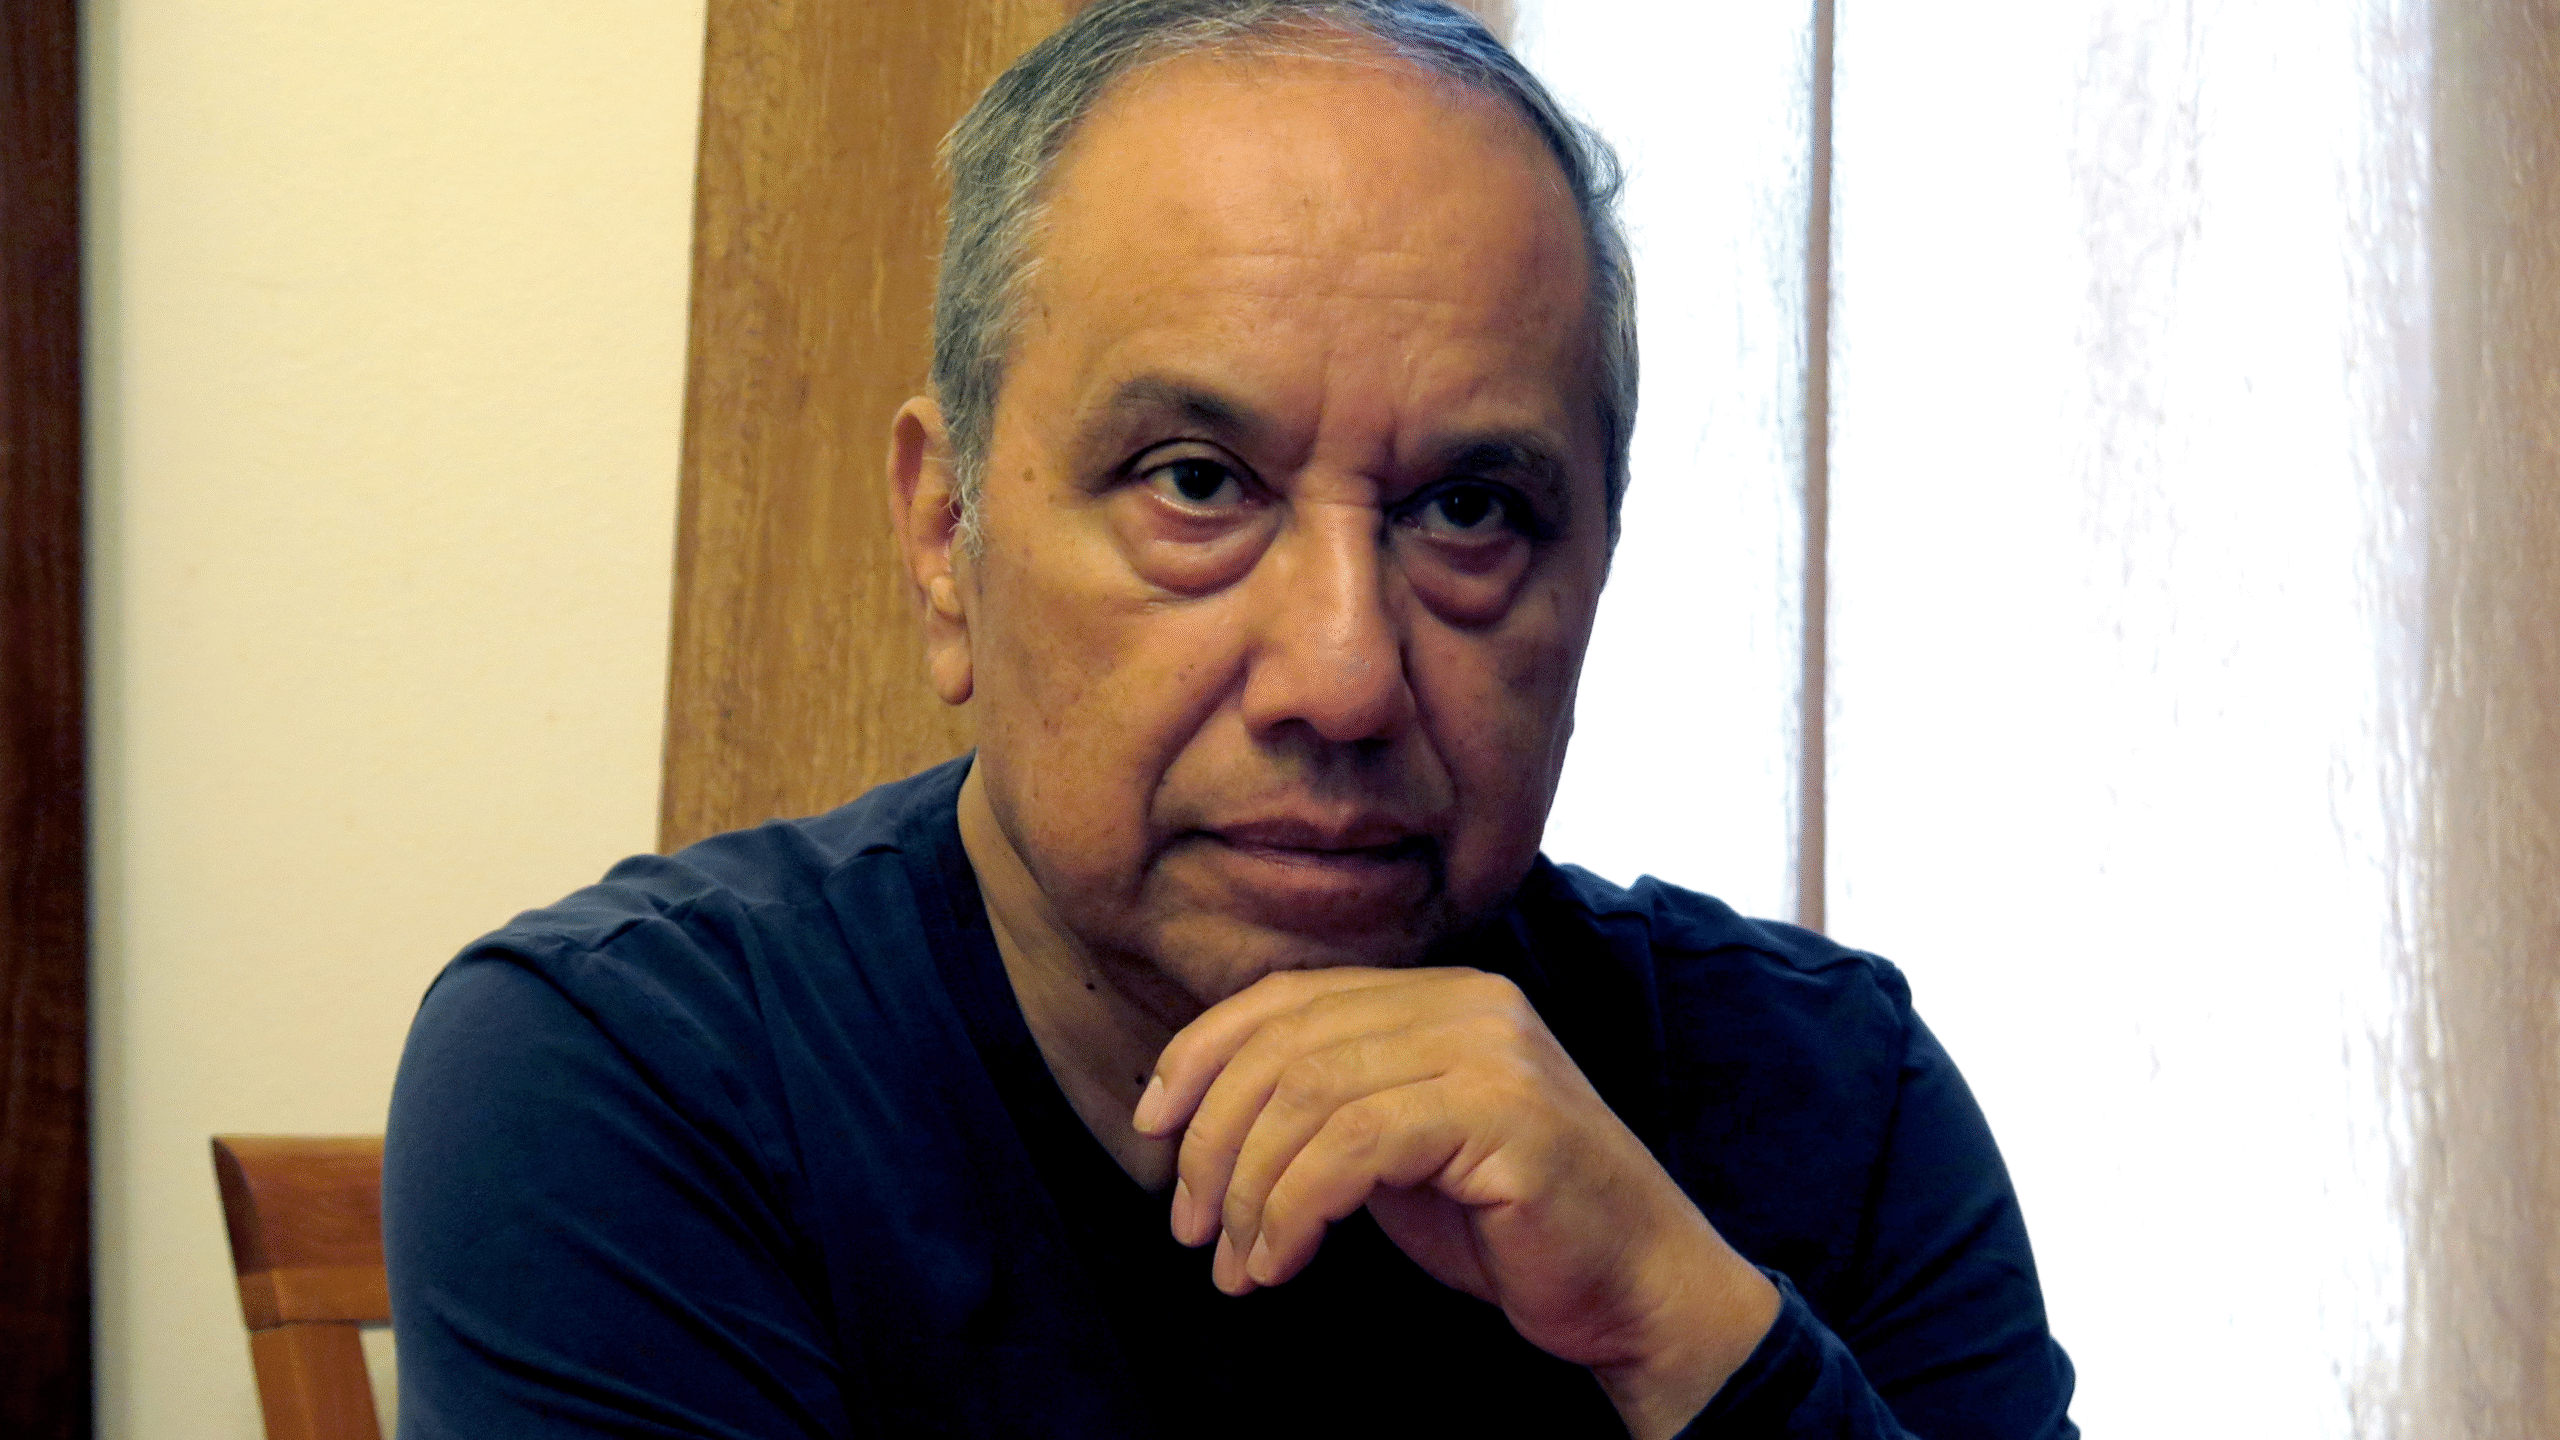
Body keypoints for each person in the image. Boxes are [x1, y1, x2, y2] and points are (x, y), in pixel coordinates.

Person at [384, 2, 2078, 1435]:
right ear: (947, 537)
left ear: (1597, 575)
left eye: (1471, 512)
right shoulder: (643, 1083)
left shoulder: (1829, 1102)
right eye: (1196, 484)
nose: (1341, 678)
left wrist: (1681, 1328)